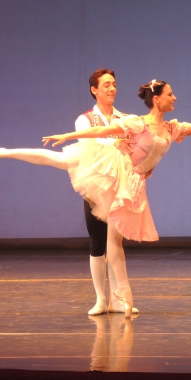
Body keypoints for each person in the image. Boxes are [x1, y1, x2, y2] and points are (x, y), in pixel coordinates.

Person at [0, 80, 191, 318]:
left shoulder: (172, 128)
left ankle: (120, 298)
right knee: (59, 159)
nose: (175, 98)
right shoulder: (137, 122)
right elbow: (101, 130)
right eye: (170, 94)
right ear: (157, 99)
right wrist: (68, 134)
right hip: (113, 168)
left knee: (115, 240)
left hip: (133, 180)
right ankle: (3, 152)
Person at [74, 68, 140, 316]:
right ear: (94, 90)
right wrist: (114, 141)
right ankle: (101, 299)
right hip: (96, 188)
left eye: (114, 84)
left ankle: (118, 299)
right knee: (97, 242)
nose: (112, 89)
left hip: (119, 187)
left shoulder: (123, 118)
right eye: (106, 85)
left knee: (116, 242)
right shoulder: (85, 120)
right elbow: (90, 143)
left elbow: (134, 147)